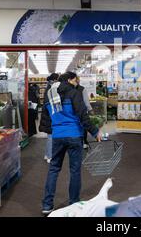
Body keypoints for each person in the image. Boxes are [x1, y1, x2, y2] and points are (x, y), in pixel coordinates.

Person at [41, 71, 102, 215]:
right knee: (74, 171)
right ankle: (73, 203)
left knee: (54, 169)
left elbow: (46, 117)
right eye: (75, 80)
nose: (77, 83)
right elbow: (82, 114)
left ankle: (47, 205)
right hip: (74, 135)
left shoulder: (50, 95)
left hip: (57, 136)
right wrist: (94, 131)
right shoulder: (73, 93)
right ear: (69, 80)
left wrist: (53, 130)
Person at [40, 73, 59, 163]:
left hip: (48, 115)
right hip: (50, 116)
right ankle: (49, 156)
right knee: (51, 136)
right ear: (54, 80)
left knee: (50, 136)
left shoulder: (49, 87)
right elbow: (50, 104)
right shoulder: (51, 89)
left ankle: (47, 154)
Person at [75, 76, 93, 149]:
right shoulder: (82, 89)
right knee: (84, 126)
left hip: (73, 112)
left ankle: (79, 142)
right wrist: (90, 109)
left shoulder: (69, 89)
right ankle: (84, 142)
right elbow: (86, 101)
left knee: (76, 127)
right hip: (82, 111)